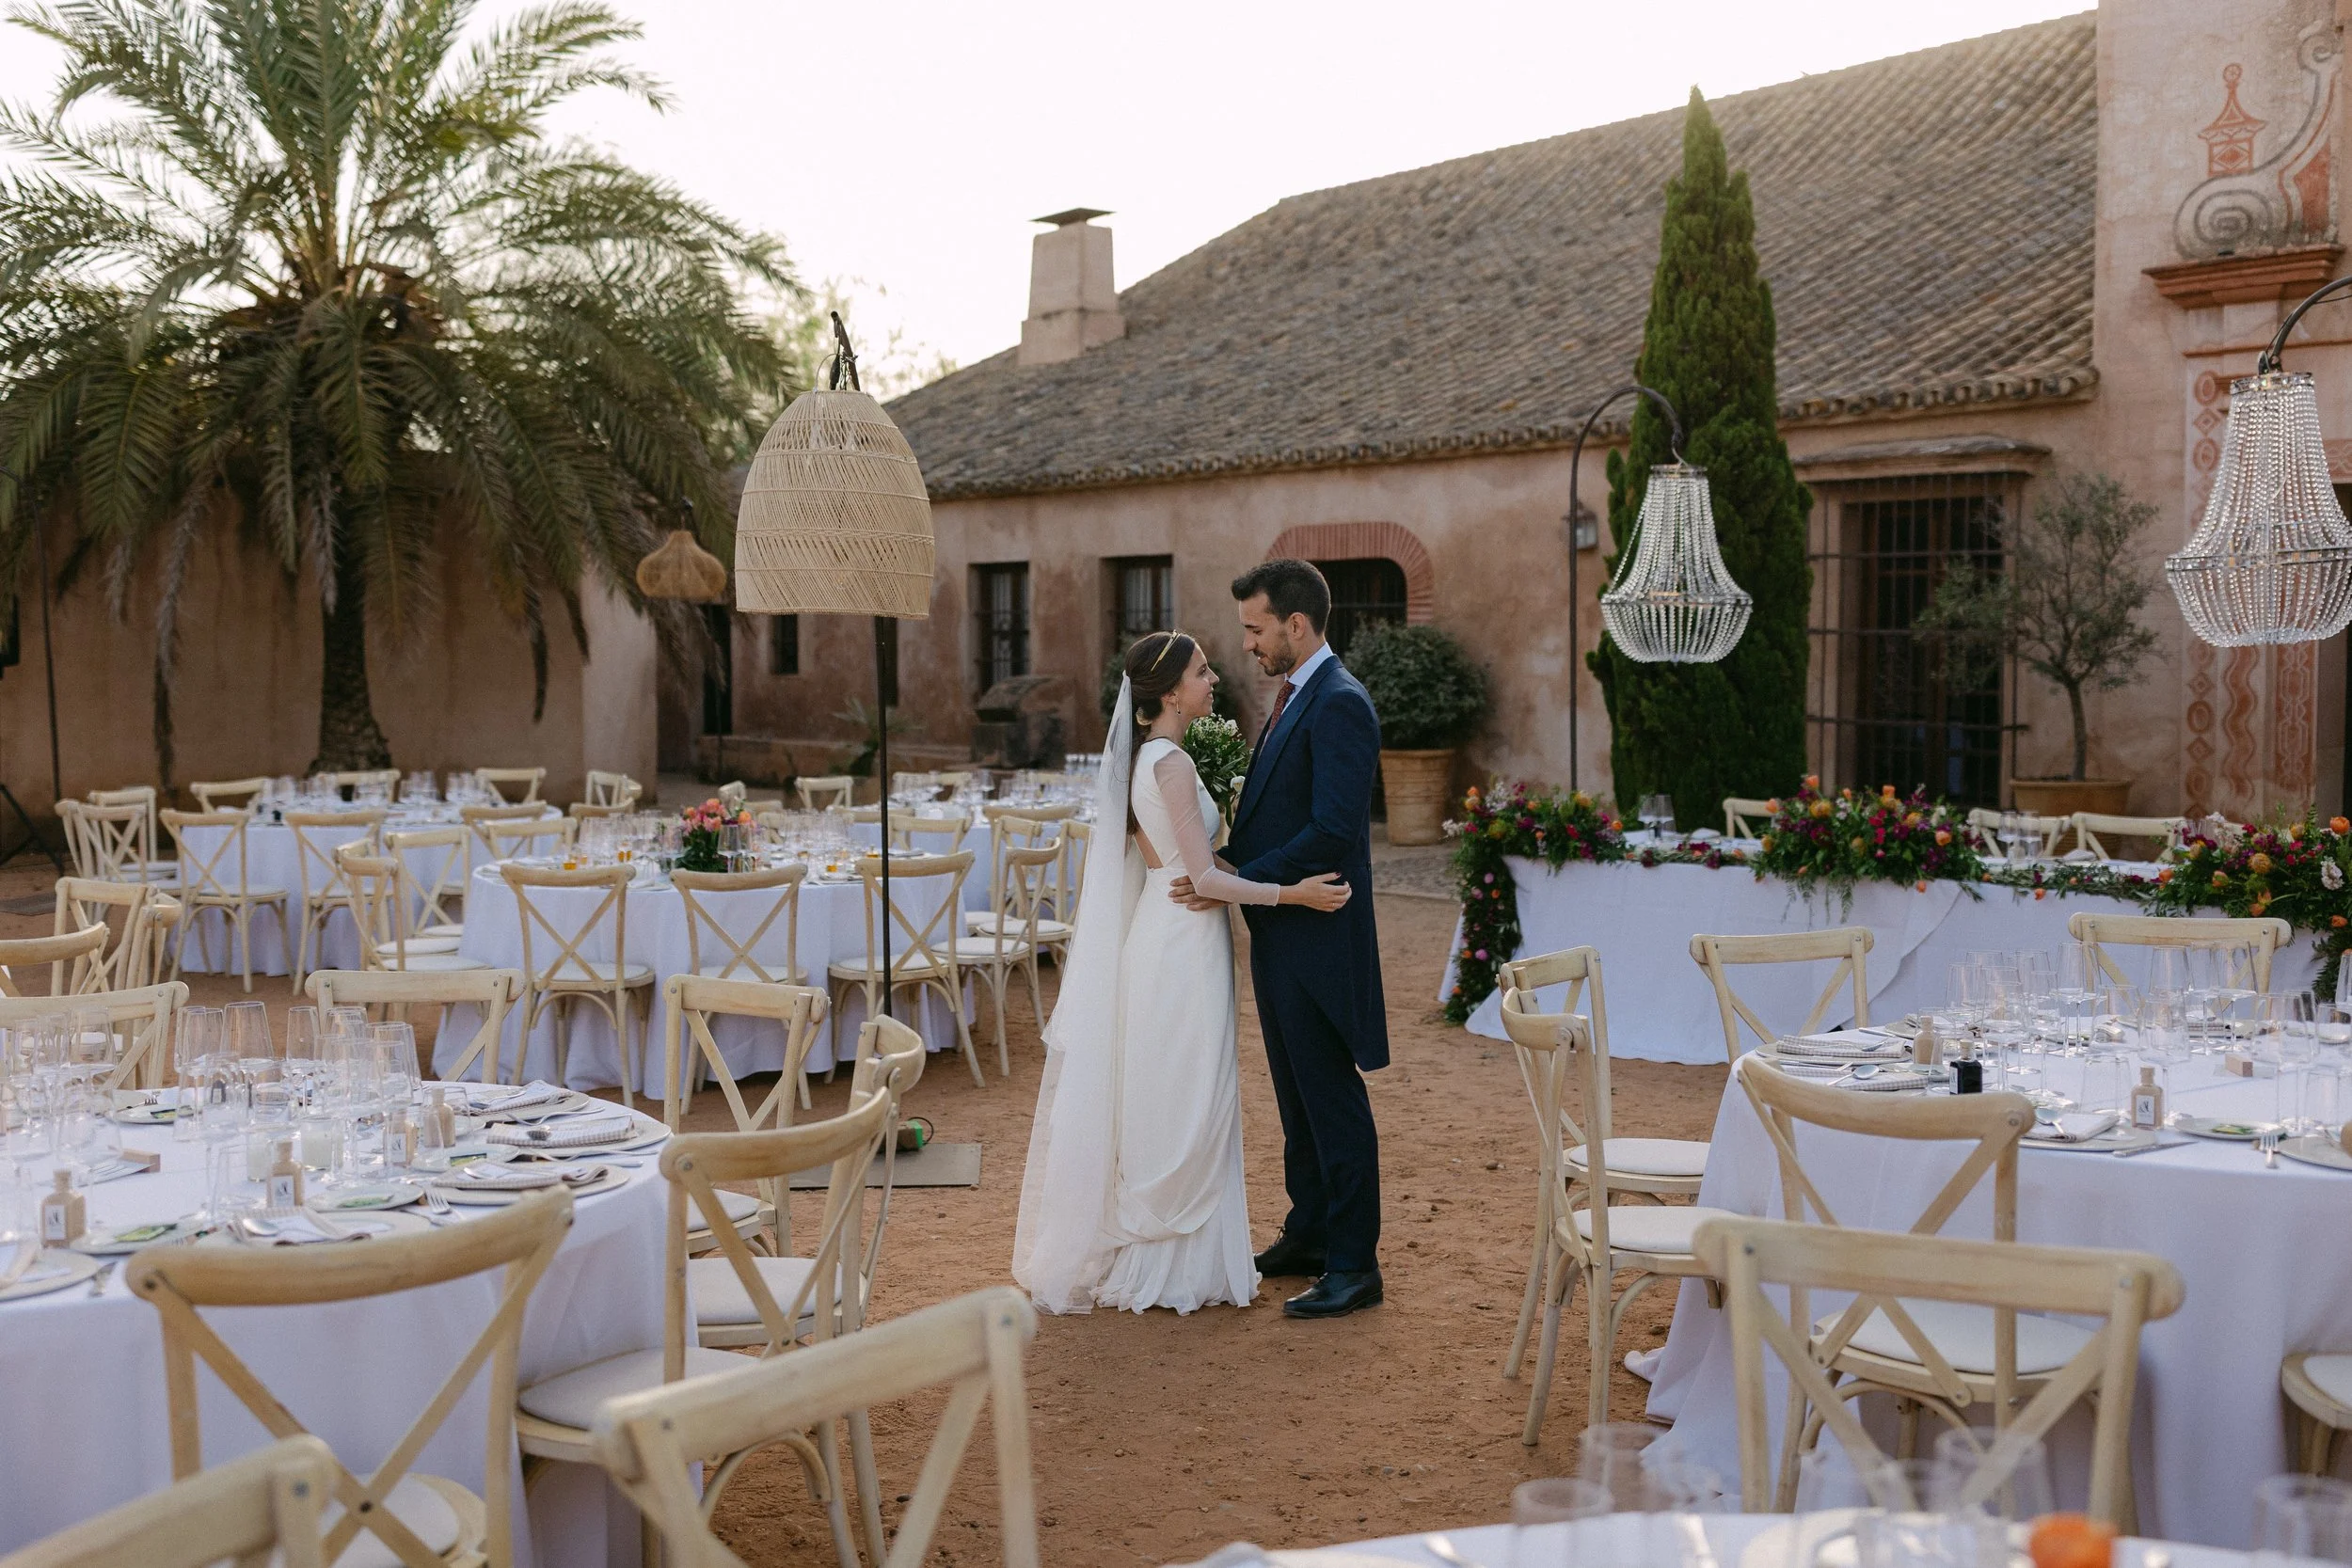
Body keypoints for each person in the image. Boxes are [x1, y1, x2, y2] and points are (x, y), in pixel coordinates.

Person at [1012, 630, 1351, 1314]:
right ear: (1170, 692)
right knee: (1190, 1089)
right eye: (1201, 672)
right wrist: (1296, 893)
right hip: (1182, 945)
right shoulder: (1168, 763)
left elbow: (1187, 865)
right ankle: (1175, 1262)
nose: (1213, 680)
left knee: (1173, 1088)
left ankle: (1173, 1254)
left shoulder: (1151, 758)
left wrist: (1245, 873)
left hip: (1168, 932)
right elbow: (1201, 877)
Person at [1182, 559, 1388, 1320]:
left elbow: (1333, 828)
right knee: (1296, 1096)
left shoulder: (1340, 702)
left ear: (1296, 625)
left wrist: (1238, 875)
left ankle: (1354, 1263)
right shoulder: (1297, 695)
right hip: (1281, 929)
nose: (1248, 644)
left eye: (1256, 628)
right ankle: (1309, 1231)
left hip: (1318, 931)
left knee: (1331, 1096)